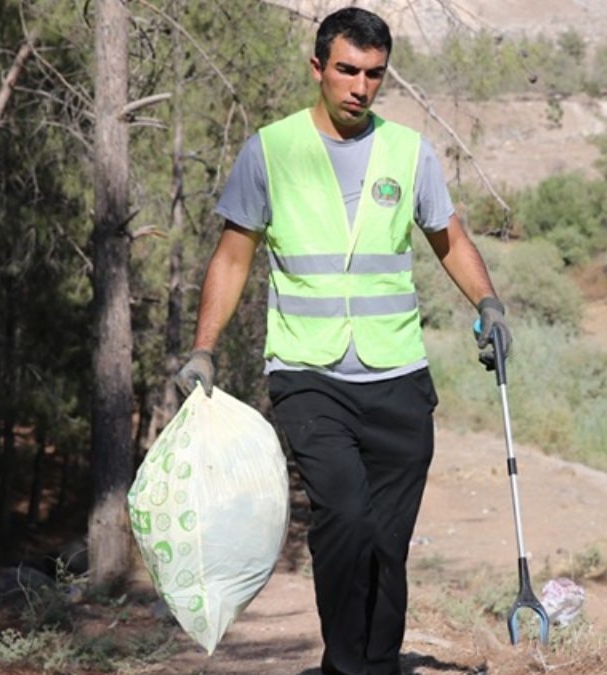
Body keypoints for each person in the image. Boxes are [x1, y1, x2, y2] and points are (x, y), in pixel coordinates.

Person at [172, 7, 511, 674]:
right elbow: (233, 257)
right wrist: (204, 347)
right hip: (308, 374)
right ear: (318, 68)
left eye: (374, 74)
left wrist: (490, 305)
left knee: (388, 541)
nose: (360, 87)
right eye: (348, 70)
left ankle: (373, 664)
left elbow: (449, 239)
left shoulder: (408, 152)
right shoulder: (270, 150)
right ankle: (348, 664)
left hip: (398, 376)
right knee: (347, 520)